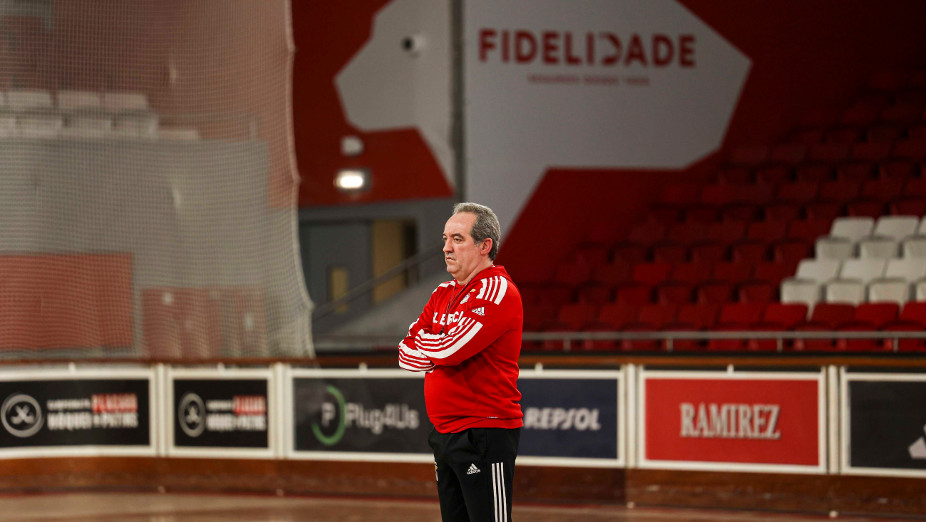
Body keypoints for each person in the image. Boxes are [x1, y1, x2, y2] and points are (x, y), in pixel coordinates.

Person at [398, 202, 523, 522]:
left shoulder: (497, 290)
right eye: (444, 239)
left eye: (457, 239)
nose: (446, 248)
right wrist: (437, 348)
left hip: (484, 430)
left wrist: (433, 348)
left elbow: (450, 350)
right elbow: (404, 352)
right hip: (444, 431)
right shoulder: (442, 293)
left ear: (485, 246)